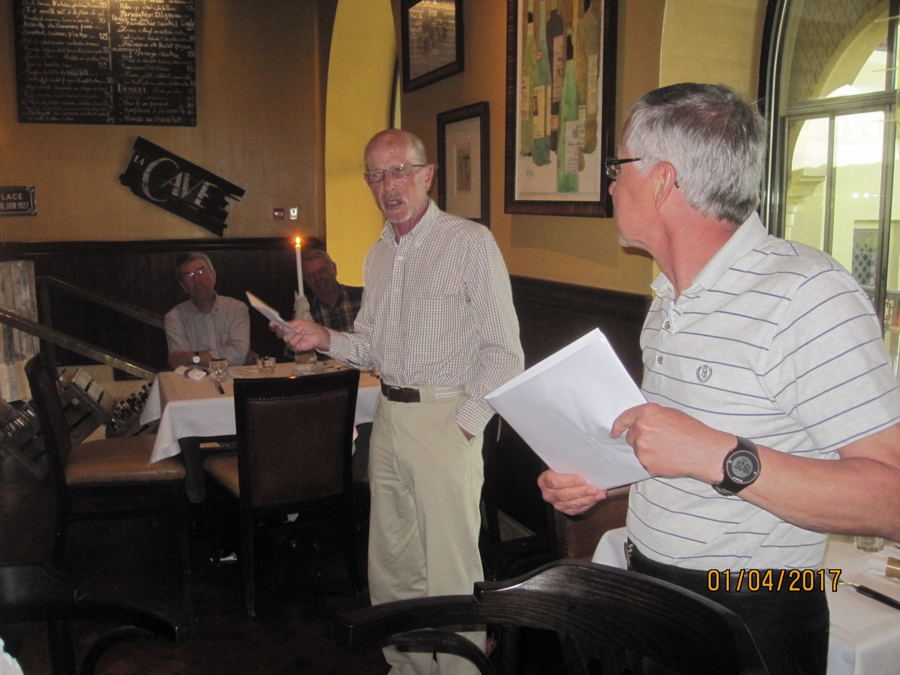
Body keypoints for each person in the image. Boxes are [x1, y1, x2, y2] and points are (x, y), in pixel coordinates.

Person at [538, 83, 900, 674]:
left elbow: (892, 498)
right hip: (651, 589)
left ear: (662, 180)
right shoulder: (669, 296)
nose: (611, 185)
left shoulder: (807, 295)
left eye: (617, 167)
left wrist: (717, 455)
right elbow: (685, 460)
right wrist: (603, 480)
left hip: (754, 608)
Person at [275, 129, 523, 675]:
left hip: (444, 418)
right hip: (388, 419)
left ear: (427, 175)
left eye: (400, 171)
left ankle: (457, 671)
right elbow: (372, 347)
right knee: (391, 564)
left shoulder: (468, 243)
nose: (389, 185)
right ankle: (408, 667)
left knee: (449, 568)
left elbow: (505, 353)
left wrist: (465, 425)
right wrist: (322, 337)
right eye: (377, 175)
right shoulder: (380, 253)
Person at [164, 252, 251, 369]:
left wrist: (194, 358)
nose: (197, 280)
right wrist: (225, 354)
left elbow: (239, 355)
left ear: (213, 275)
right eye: (189, 276)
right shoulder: (174, 317)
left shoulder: (236, 309)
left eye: (201, 272)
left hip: (233, 378)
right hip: (193, 380)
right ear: (183, 286)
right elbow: (179, 362)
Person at [296, 246, 363, 332]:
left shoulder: (362, 298)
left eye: (322, 271)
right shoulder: (305, 310)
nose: (318, 278)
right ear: (305, 280)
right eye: (311, 275)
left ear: (334, 269)